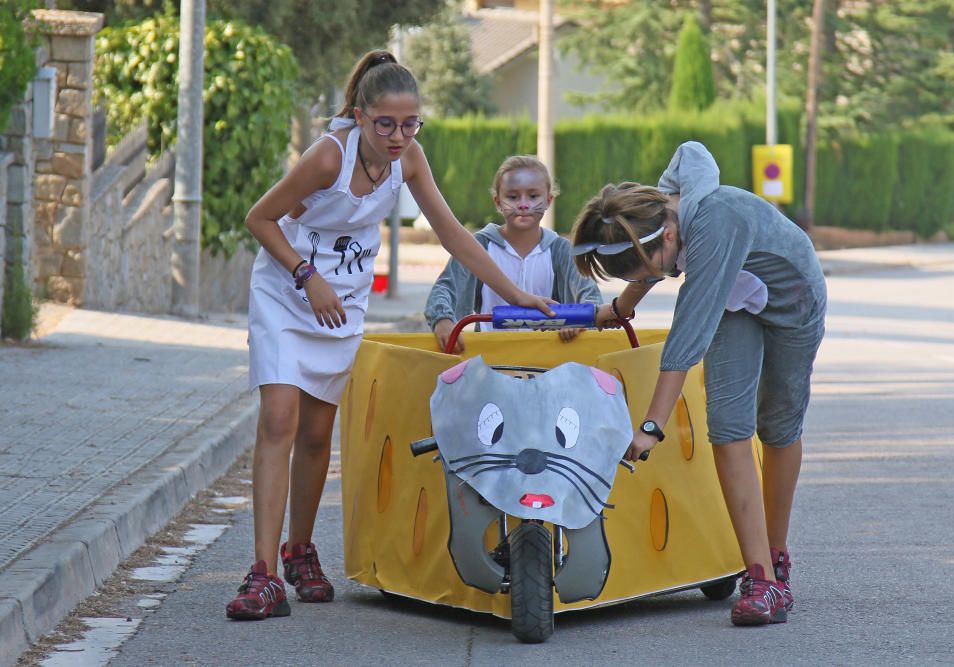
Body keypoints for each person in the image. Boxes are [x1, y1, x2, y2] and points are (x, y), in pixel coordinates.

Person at [227, 50, 556, 621]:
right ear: (360, 116)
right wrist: (308, 279)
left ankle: (301, 552)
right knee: (279, 418)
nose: (399, 135)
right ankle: (262, 575)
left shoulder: (409, 160)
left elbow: (453, 233)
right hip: (287, 292)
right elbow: (260, 218)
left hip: (343, 304)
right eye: (386, 124)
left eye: (410, 124)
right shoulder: (329, 157)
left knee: (316, 433)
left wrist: (517, 292)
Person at [571, 141, 826, 627]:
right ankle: (762, 579)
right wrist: (622, 306)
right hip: (739, 304)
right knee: (728, 427)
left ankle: (778, 552)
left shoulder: (714, 223)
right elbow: (689, 151)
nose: (664, 274)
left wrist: (651, 426)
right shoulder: (663, 212)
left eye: (662, 267)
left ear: (669, 232)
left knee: (777, 425)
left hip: (793, 299)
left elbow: (686, 337)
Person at [425, 155, 602, 353]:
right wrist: (443, 320)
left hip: (547, 362)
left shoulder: (561, 251)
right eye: (513, 196)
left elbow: (591, 297)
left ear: (548, 200)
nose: (523, 204)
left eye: (533, 196)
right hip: (488, 359)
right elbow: (445, 289)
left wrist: (579, 320)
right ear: (498, 202)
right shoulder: (479, 246)